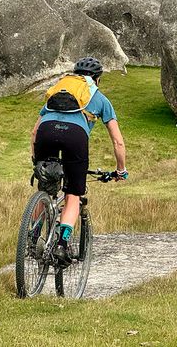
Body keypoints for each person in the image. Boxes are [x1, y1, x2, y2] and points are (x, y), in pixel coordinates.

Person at [30, 57, 127, 263]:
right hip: (75, 137)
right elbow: (118, 142)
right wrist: (121, 170)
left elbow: (34, 132)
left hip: (46, 133)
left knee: (45, 188)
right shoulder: (100, 99)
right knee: (73, 194)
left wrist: (36, 161)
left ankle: (33, 236)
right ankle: (62, 246)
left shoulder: (59, 91)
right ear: (97, 79)